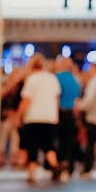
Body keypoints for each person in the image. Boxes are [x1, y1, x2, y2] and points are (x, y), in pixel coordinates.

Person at [16, 54, 61, 183]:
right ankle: (54, 165)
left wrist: (19, 116)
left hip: (33, 117)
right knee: (49, 145)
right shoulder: (52, 79)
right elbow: (56, 99)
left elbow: (26, 100)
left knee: (32, 146)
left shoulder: (31, 79)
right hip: (50, 117)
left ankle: (32, 173)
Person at [54, 56, 81, 178]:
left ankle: (58, 166)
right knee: (69, 142)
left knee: (58, 141)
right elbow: (77, 101)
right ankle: (68, 167)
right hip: (71, 114)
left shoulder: (57, 78)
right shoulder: (75, 80)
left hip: (59, 113)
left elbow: (55, 97)